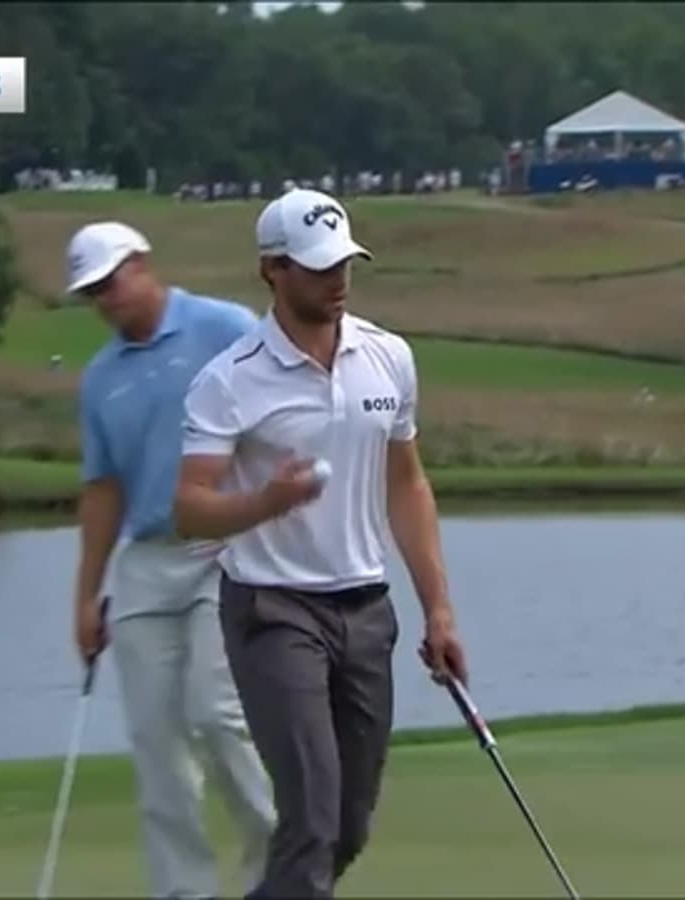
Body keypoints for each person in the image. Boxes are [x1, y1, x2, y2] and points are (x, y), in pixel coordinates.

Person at [173, 190, 470, 898]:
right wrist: (264, 502)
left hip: (367, 610)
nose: (336, 279)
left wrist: (439, 609)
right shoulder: (230, 381)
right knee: (309, 814)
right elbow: (190, 509)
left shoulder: (388, 358)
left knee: (347, 826)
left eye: (344, 262)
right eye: (316, 267)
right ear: (272, 270)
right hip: (272, 611)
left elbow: (408, 486)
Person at [66, 221, 276, 899]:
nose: (105, 299)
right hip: (147, 561)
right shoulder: (100, 380)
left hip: (227, 548)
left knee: (216, 712)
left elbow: (277, 423)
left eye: (111, 281)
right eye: (92, 291)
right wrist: (86, 595)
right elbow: (103, 490)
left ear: (143, 264)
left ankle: (280, 869)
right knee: (156, 741)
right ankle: (184, 892)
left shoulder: (223, 327)